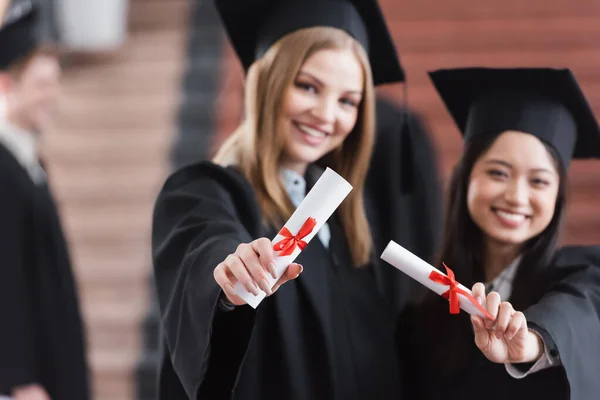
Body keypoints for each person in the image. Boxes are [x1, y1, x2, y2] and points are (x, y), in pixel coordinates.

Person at [151, 0, 441, 398]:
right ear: (268, 82)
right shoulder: (205, 192)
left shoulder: (344, 218)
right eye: (307, 86)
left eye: (347, 101)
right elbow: (209, 247)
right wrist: (232, 282)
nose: (326, 114)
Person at [397, 67, 600, 400]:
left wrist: (532, 339)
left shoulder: (585, 281)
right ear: (465, 180)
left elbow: (578, 315)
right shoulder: (420, 320)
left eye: (539, 181)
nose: (516, 196)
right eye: (498, 173)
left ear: (558, 197)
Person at [0, 1, 90, 400]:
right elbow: (5, 278)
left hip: (53, 360)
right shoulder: (2, 168)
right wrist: (20, 378)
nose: (51, 97)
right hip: (27, 379)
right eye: (41, 85)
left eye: (54, 83)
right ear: (7, 85)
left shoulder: (30, 159)